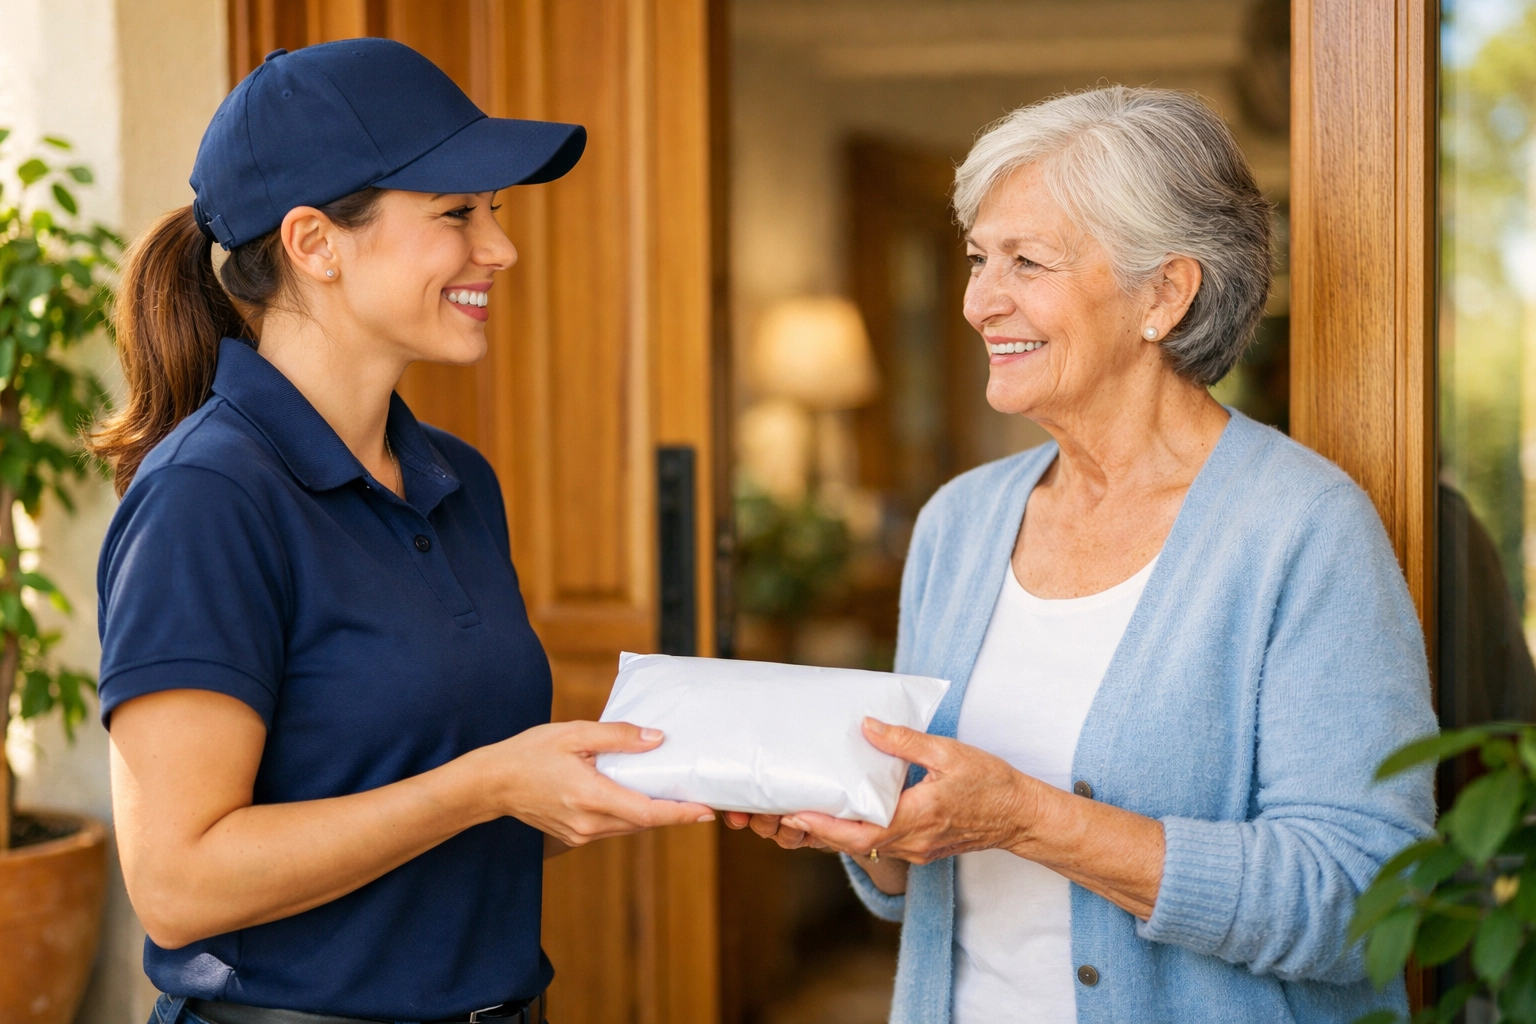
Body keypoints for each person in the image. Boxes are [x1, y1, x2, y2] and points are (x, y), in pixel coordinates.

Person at [726, 86, 1437, 1023]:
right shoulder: (959, 523)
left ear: (1164, 294)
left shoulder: (1302, 531)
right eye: (979, 258)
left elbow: (1364, 904)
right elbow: (921, 866)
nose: (981, 300)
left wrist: (1029, 817)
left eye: (1028, 261)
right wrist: (866, 829)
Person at [91, 39, 712, 1024]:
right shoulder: (208, 497)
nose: (499, 248)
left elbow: (450, 800)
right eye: (456, 214)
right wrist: (480, 785)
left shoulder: (459, 481)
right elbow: (178, 882)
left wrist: (678, 772)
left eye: (494, 213)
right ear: (314, 243)